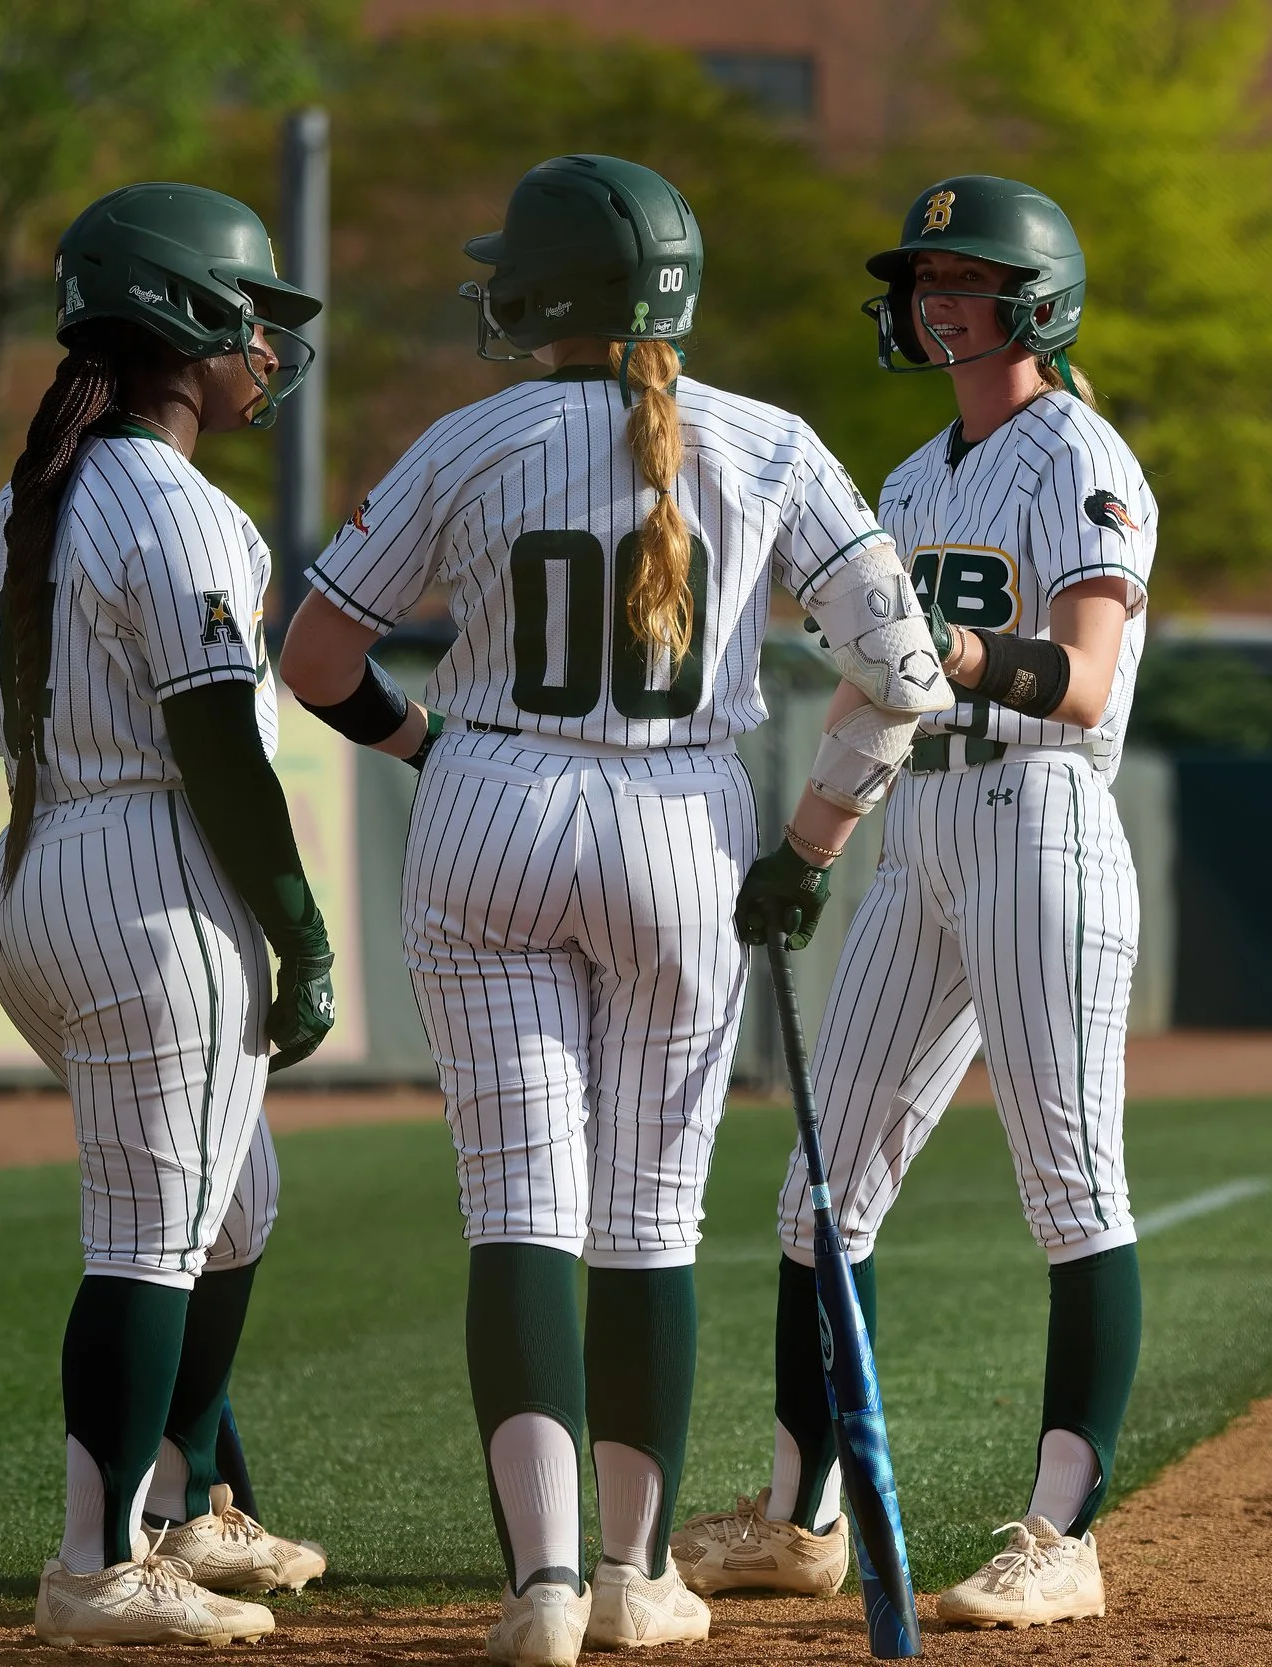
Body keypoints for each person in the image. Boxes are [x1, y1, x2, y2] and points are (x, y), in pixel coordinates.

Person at [279, 154, 948, 1667]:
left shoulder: (469, 435)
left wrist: (422, 743)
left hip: (492, 800)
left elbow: (313, 655)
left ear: (540, 292)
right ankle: (636, 1577)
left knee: (517, 1203)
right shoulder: (771, 441)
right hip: (683, 820)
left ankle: (542, 1587)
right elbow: (905, 676)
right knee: (649, 1212)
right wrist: (813, 843)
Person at [677, 176, 1157, 1635]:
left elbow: (1084, 680)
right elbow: (876, 697)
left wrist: (953, 652)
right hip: (923, 828)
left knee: (1072, 1183)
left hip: (1039, 817)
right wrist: (810, 845)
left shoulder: (1080, 456)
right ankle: (800, 1518)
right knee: (820, 1193)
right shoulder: (903, 479)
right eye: (923, 276)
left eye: (966, 276)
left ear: (1037, 300)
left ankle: (1062, 1537)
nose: (937, 298)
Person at [0, 182, 338, 1649]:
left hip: (41, 863)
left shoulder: (36, 488)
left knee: (231, 1208)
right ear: (184, 318)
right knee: (149, 1233)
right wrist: (302, 929)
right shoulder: (179, 506)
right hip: (147, 881)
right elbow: (220, 749)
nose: (266, 345)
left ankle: (190, 1505)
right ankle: (94, 1561)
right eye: (248, 314)